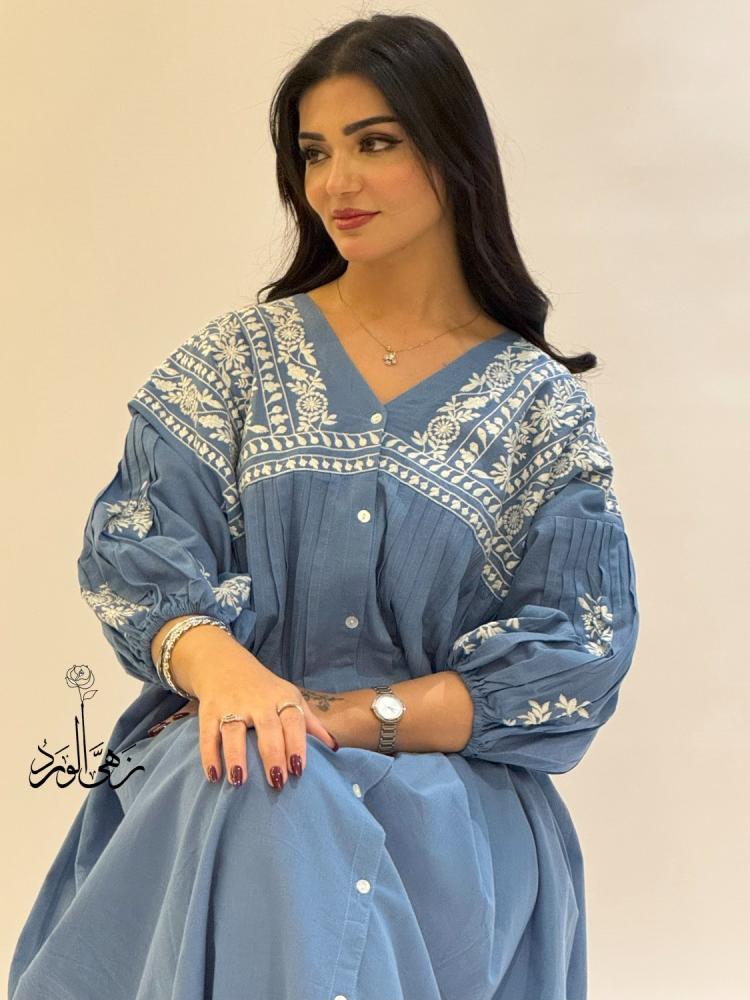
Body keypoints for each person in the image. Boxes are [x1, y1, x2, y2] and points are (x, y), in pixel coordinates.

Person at [8, 12, 640, 1000]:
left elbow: (574, 659)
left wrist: (339, 720)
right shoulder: (235, 362)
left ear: (452, 152)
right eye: (314, 152)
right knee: (261, 782)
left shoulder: (538, 410)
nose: (336, 182)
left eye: (374, 143)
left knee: (276, 778)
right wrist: (231, 677)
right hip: (224, 761)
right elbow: (134, 545)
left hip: (441, 798)